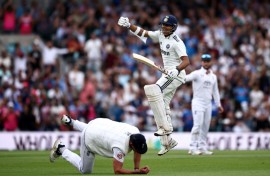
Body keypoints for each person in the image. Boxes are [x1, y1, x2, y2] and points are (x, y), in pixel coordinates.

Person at [118, 15, 190, 155]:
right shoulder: (161, 35)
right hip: (167, 75)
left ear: (174, 27)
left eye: (167, 26)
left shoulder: (177, 42)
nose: (164, 28)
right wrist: (129, 25)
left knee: (153, 91)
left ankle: (166, 127)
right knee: (162, 104)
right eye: (163, 25)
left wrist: (176, 70)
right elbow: (144, 33)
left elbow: (186, 61)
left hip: (176, 75)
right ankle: (167, 142)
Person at [50, 115, 150, 174]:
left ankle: (71, 122)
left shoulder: (135, 131)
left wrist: (136, 168)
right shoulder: (120, 147)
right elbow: (117, 170)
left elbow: (137, 149)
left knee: (94, 129)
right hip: (90, 137)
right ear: (131, 144)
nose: (137, 151)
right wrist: (136, 172)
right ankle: (61, 149)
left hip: (99, 123)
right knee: (85, 170)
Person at [185, 54, 224, 155]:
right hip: (198, 103)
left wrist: (218, 104)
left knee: (206, 126)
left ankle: (202, 147)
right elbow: (186, 78)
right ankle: (192, 148)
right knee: (198, 125)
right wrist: (177, 74)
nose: (206, 63)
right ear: (201, 62)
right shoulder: (197, 73)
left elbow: (215, 91)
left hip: (208, 104)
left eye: (208, 61)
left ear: (211, 62)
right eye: (204, 61)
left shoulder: (213, 77)